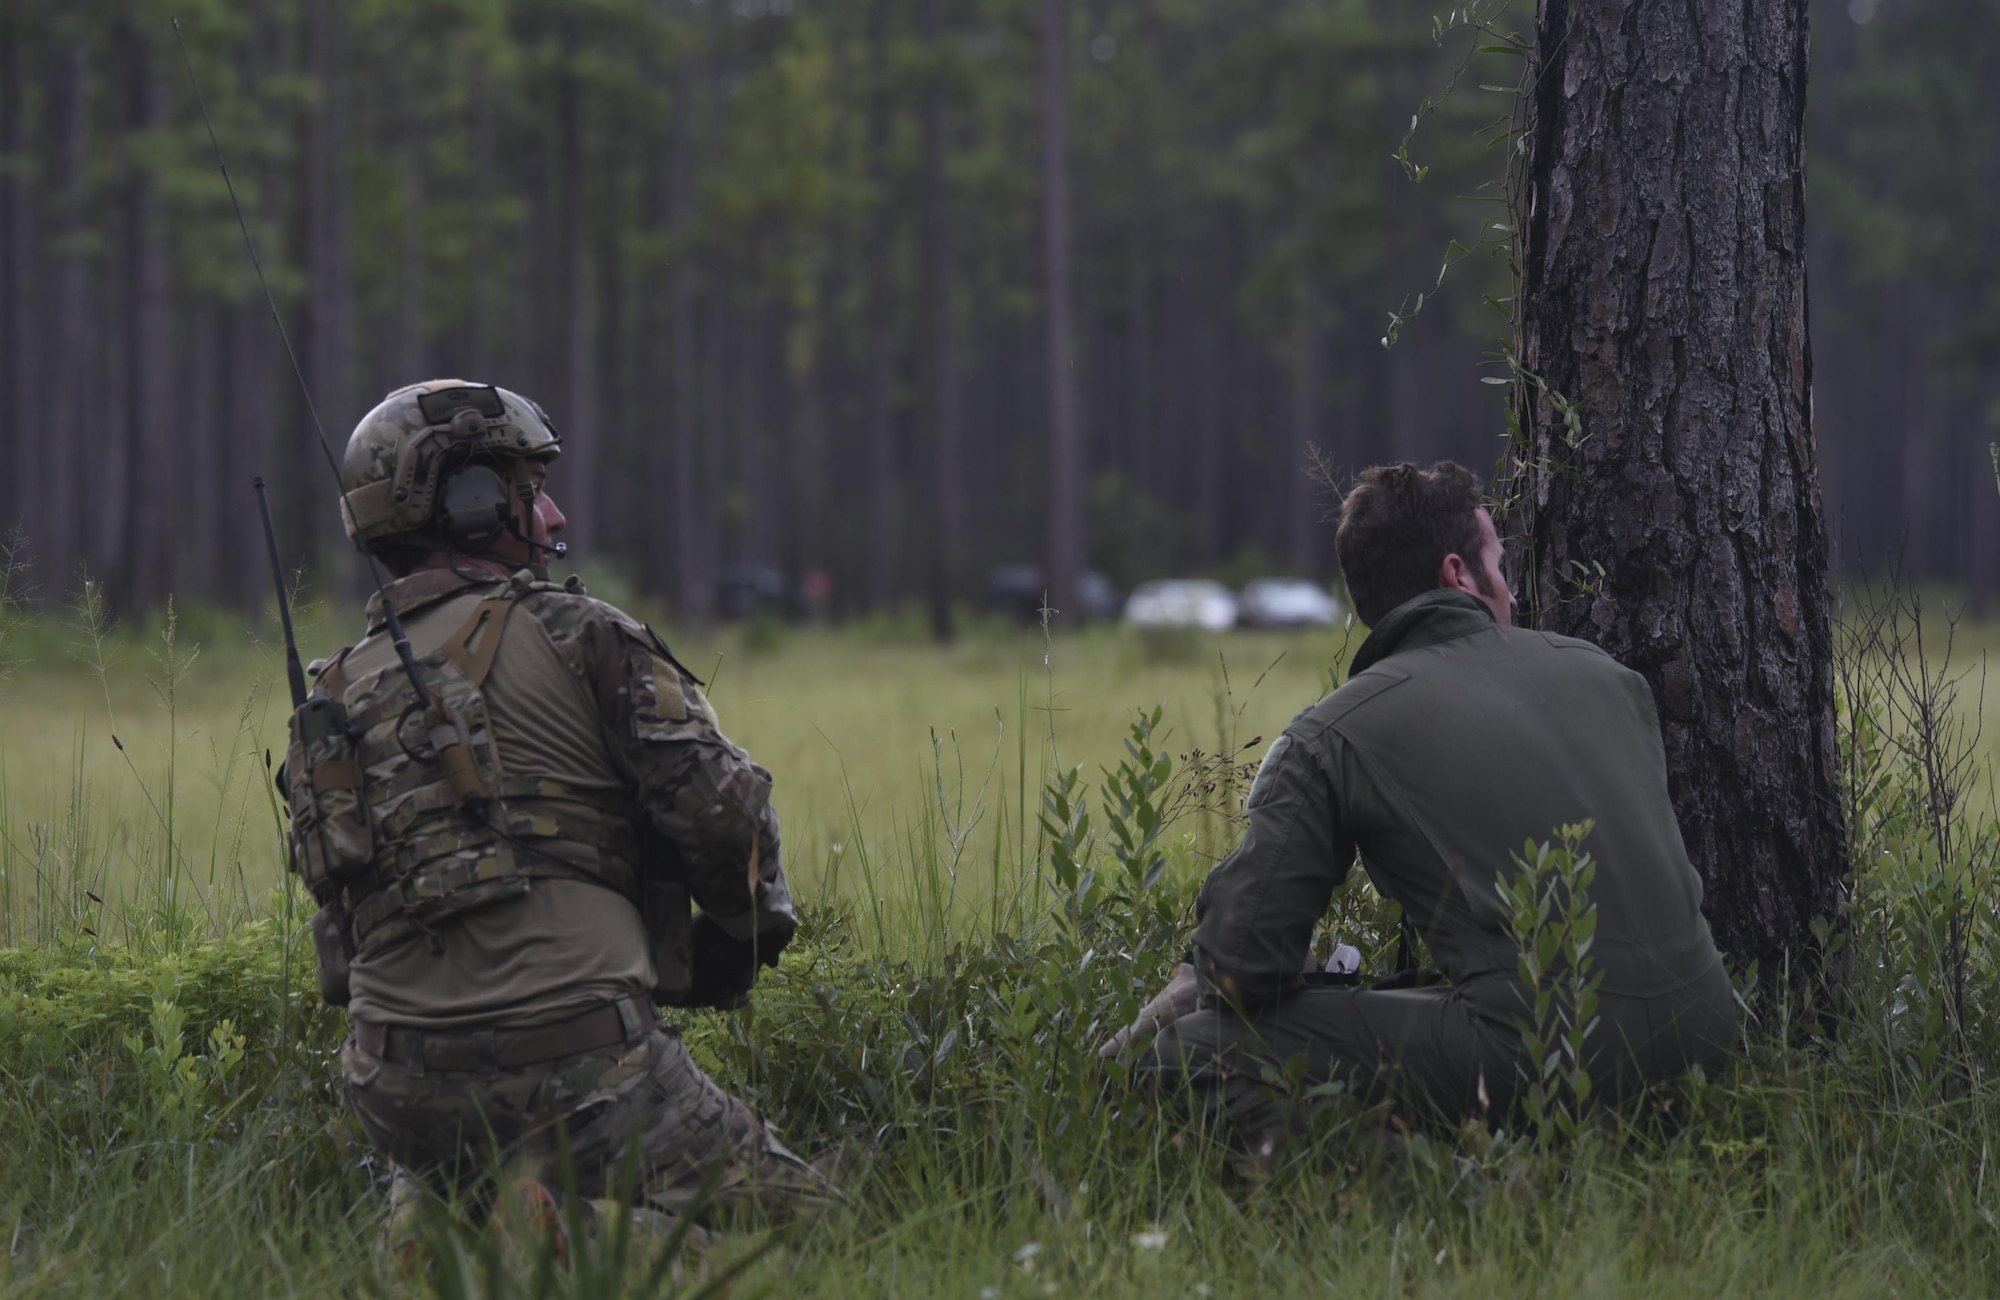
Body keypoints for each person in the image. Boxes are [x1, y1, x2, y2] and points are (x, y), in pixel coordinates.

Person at [280, 380, 833, 1265]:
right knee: (823, 1241)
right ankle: (561, 1244)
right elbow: (731, 826)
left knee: (462, 1141)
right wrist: (743, 938)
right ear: (465, 505)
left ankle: (438, 1230)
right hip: (580, 1059)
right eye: (527, 488)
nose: (552, 509)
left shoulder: (333, 696)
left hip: (391, 1083)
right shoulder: (587, 635)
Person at [1114, 460, 1735, 1134]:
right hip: (1709, 1041)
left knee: (1183, 1053)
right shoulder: (1611, 678)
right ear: (1458, 574)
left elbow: (1241, 969)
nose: (1513, 592)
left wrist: (1197, 985)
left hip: (1551, 1061)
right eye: (1500, 565)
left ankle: (1420, 1198)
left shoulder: (1332, 734)